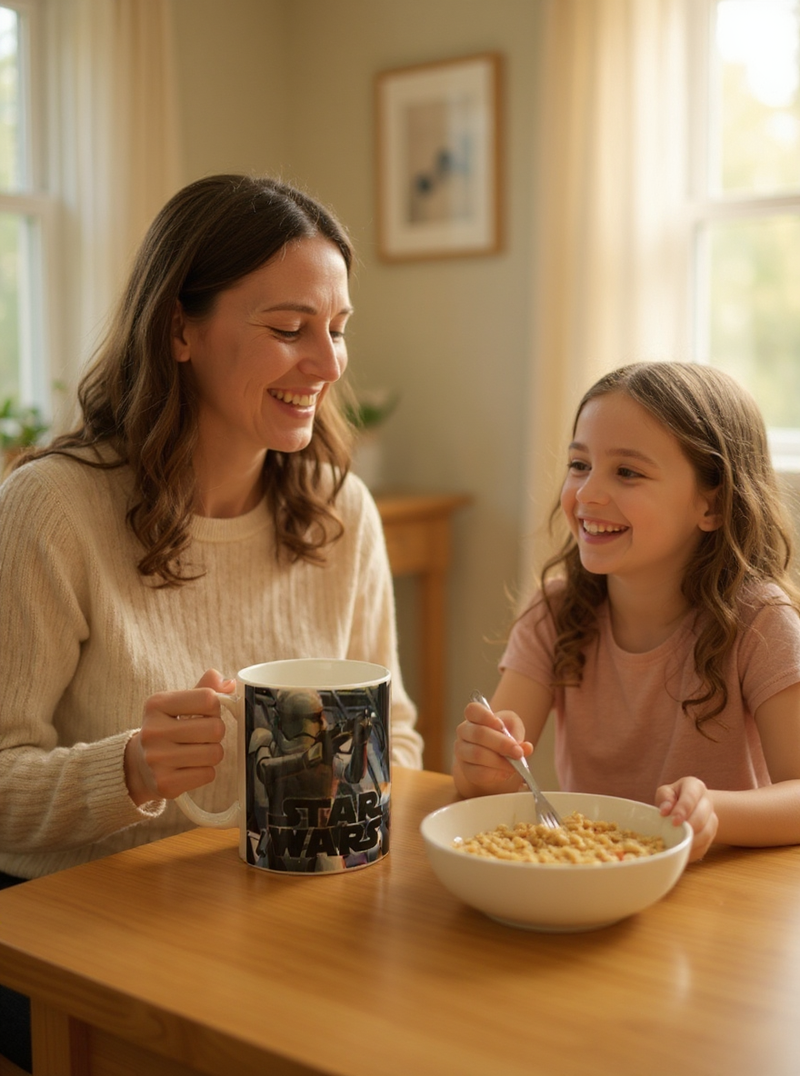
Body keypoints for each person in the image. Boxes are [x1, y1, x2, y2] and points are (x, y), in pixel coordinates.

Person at [0, 173, 422, 1071]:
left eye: (338, 330)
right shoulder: (51, 511)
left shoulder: (342, 512)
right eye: (288, 328)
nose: (329, 362)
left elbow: (400, 735)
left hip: (279, 920)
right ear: (179, 329)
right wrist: (130, 767)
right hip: (78, 940)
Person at [454, 361, 800, 863]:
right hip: (591, 882)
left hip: (720, 897)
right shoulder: (555, 611)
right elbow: (484, 786)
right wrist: (477, 765)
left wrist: (714, 811)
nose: (588, 493)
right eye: (579, 465)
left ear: (713, 505)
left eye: (628, 472)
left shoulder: (762, 623)